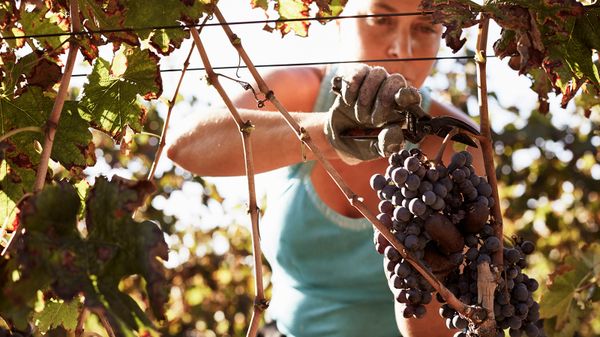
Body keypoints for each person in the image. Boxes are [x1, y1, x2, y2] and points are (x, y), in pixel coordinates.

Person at [166, 0, 483, 336]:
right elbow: (186, 146)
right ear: (339, 18)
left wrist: (434, 275)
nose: (400, 49)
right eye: (381, 19)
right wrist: (329, 135)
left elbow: (434, 330)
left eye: (424, 28)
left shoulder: (455, 144)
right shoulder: (298, 93)